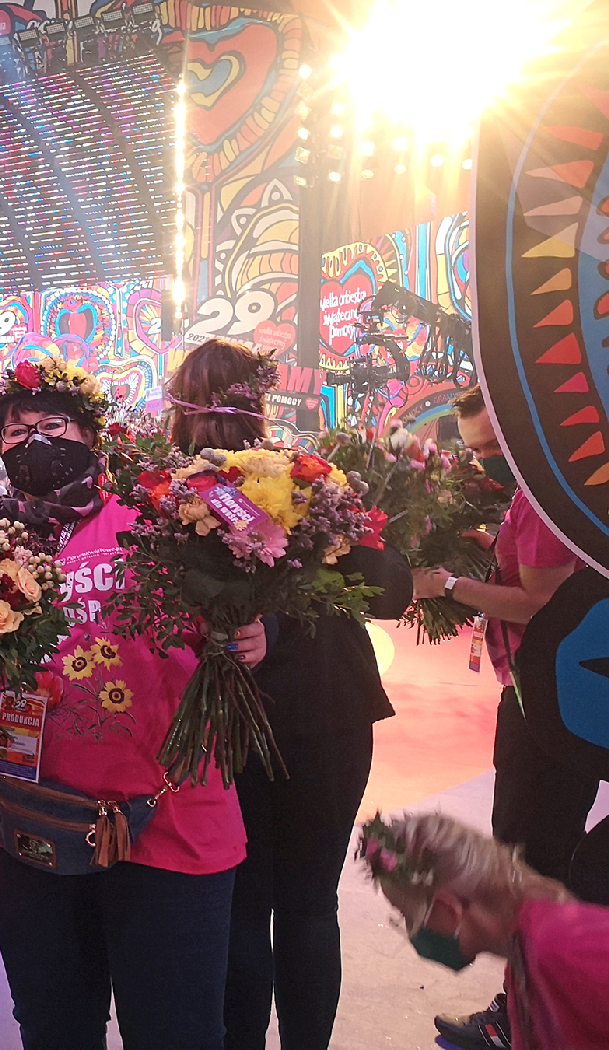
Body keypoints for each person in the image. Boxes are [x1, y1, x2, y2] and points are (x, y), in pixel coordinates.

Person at [0, 354, 265, 1050]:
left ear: (91, 432)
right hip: (34, 824)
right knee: (53, 1028)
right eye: (16, 432)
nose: (34, 442)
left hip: (170, 823)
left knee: (176, 1033)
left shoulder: (165, 505)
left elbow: (264, 560)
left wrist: (259, 627)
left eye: (52, 425)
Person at [165, 339, 413, 1050]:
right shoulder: (308, 480)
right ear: (263, 403)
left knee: (243, 907)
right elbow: (390, 588)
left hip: (249, 725)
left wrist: (271, 626)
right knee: (306, 906)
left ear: (180, 410)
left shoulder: (172, 496)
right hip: (325, 717)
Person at [410, 384, 593, 1048]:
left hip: (543, 706)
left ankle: (527, 1019)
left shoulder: (543, 502)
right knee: (541, 853)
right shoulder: (542, 492)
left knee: (527, 862)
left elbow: (543, 605)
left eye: (493, 445)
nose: (486, 459)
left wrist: (450, 586)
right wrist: (492, 542)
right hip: (556, 701)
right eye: (476, 448)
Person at [356, 811, 609, 1049]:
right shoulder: (524, 951)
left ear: (448, 908)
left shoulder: (562, 949)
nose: (412, 930)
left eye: (409, 917)